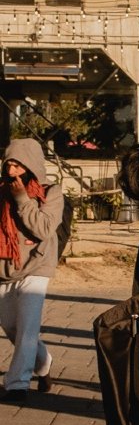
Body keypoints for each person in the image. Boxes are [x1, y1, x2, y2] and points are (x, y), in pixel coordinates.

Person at [0, 138, 65, 399]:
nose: (13, 171)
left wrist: (22, 200)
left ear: (32, 166)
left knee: (28, 327)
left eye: (19, 165)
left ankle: (17, 384)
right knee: (13, 329)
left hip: (37, 265)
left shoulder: (51, 192)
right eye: (9, 165)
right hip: (5, 269)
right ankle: (44, 362)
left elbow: (44, 229)